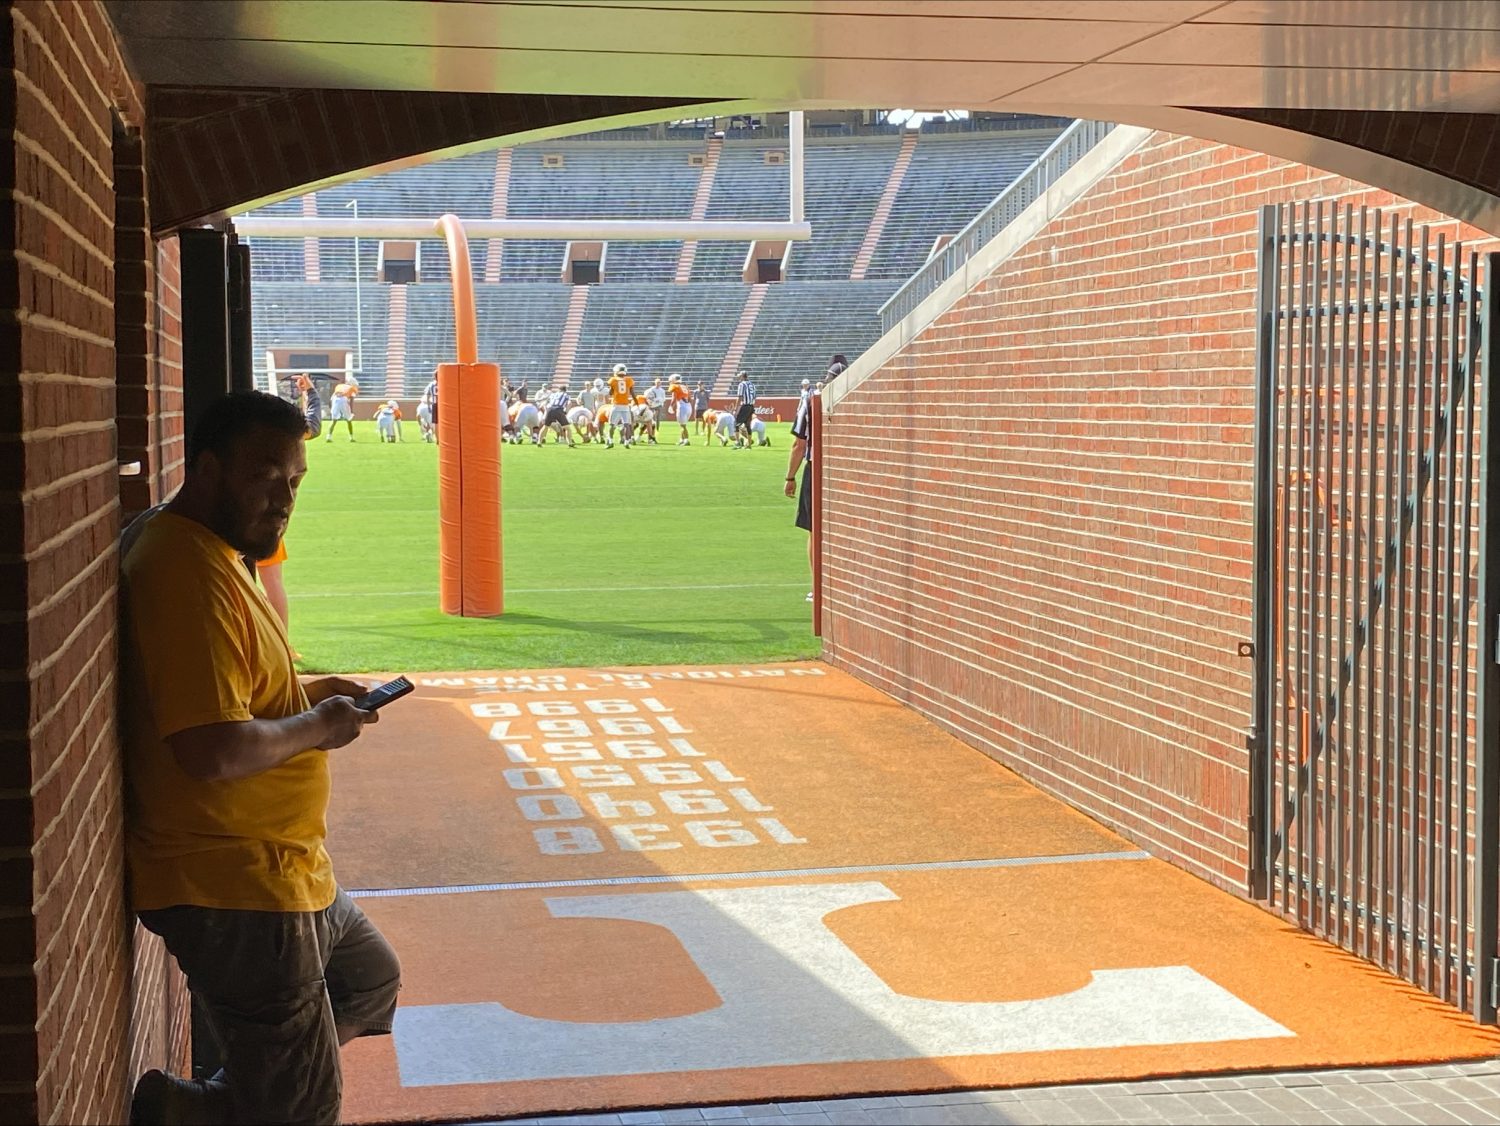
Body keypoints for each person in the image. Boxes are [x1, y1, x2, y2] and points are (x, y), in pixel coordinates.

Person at [121, 390, 400, 1125]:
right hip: (237, 882)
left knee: (370, 981)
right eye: (266, 476)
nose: (284, 499)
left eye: (295, 480)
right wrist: (320, 724)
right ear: (209, 469)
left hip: (284, 867)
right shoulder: (184, 572)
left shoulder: (215, 551)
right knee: (303, 1111)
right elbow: (211, 748)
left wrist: (305, 696)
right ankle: (247, 1102)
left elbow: (230, 697)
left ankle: (207, 1104)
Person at [786, 385, 815, 602]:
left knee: (814, 530)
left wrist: (790, 477)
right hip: (849, 468)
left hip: (816, 468)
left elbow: (799, 443)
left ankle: (817, 586)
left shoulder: (811, 401)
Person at [606, 363, 636, 448]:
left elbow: (610, 393)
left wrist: (612, 388)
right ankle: (627, 442)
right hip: (626, 406)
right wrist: (636, 402)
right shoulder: (629, 380)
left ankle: (610, 441)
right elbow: (632, 393)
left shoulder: (613, 380)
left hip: (616, 405)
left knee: (612, 424)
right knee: (626, 424)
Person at [325, 376, 358, 441]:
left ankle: (328, 437)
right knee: (349, 420)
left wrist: (331, 407)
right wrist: (351, 411)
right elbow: (351, 400)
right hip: (344, 400)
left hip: (335, 400)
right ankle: (351, 437)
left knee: (333, 420)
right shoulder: (351, 388)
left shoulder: (339, 386)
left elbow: (332, 398)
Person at [732, 370, 757, 450]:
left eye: (740, 376)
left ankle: (737, 443)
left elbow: (739, 397)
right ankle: (749, 445)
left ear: (742, 376)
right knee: (748, 425)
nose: (739, 377)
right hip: (751, 406)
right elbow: (754, 397)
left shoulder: (742, 384)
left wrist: (735, 409)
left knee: (736, 424)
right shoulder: (752, 384)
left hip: (745, 405)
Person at [669, 374, 694, 445]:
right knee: (682, 425)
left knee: (683, 426)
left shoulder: (675, 386)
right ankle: (681, 440)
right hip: (688, 406)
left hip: (682, 407)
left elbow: (674, 398)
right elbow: (690, 399)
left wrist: (671, 406)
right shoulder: (685, 386)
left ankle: (686, 440)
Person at [418, 377, 437, 442]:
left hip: (423, 406)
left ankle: (426, 434)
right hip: (432, 405)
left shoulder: (430, 385)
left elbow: (417, 415)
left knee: (424, 422)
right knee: (432, 424)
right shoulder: (436, 385)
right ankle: (431, 435)